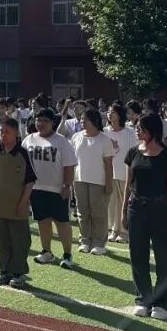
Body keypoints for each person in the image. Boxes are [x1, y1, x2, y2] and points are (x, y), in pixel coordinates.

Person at [122, 112, 167, 320]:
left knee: (163, 257)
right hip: (136, 208)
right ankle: (143, 299)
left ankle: (163, 303)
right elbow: (128, 184)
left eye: (142, 127)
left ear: (153, 130)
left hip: (160, 209)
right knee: (138, 254)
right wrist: (123, 211)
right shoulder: (132, 153)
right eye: (137, 127)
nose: (137, 130)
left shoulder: (166, 156)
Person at [0, 115, 37, 288]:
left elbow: (30, 181)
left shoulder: (22, 154)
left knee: (19, 241)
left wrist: (23, 202)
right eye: (1, 131)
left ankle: (18, 272)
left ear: (16, 133)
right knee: (1, 239)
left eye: (7, 132)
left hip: (17, 207)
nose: (3, 135)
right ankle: (4, 269)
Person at [23, 108, 77, 269]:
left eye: (45, 121)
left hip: (57, 189)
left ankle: (67, 254)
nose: (41, 124)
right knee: (42, 221)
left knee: (62, 222)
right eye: (38, 120)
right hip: (36, 188)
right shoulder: (29, 139)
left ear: (52, 122)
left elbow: (69, 166)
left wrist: (67, 186)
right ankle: (47, 252)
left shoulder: (62, 141)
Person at [71, 107, 114, 255]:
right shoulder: (76, 137)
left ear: (95, 121)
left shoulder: (104, 140)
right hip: (79, 179)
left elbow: (108, 164)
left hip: (98, 181)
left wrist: (109, 184)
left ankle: (99, 243)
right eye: (81, 119)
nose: (82, 121)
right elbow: (72, 160)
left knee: (98, 213)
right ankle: (85, 241)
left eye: (86, 119)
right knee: (82, 212)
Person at [106, 104, 136, 243]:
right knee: (112, 205)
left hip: (125, 173)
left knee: (124, 204)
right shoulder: (105, 132)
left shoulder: (129, 133)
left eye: (113, 112)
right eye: (109, 112)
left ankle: (124, 232)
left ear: (120, 115)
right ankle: (114, 230)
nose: (110, 114)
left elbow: (134, 153)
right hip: (109, 173)